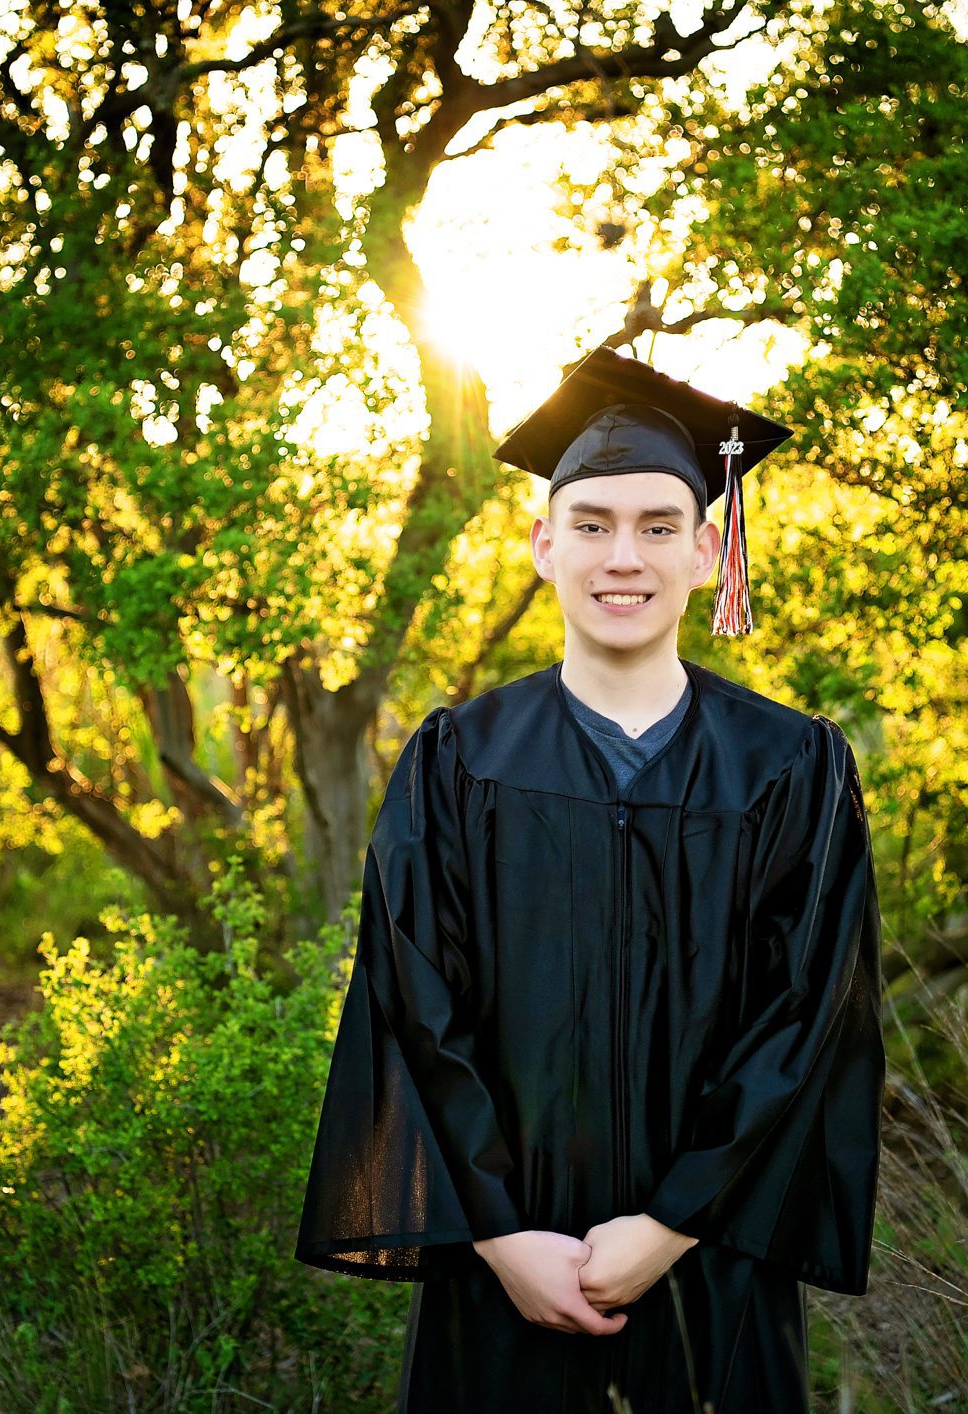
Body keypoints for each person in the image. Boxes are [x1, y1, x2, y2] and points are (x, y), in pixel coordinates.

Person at [294, 347, 886, 1413]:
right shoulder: (458, 761)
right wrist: (503, 1232)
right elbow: (413, 1006)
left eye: (659, 526)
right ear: (541, 543)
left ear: (709, 550)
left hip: (713, 1269)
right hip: (504, 1276)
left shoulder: (792, 769)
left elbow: (812, 1019)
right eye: (593, 523)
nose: (626, 556)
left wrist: (670, 1223)